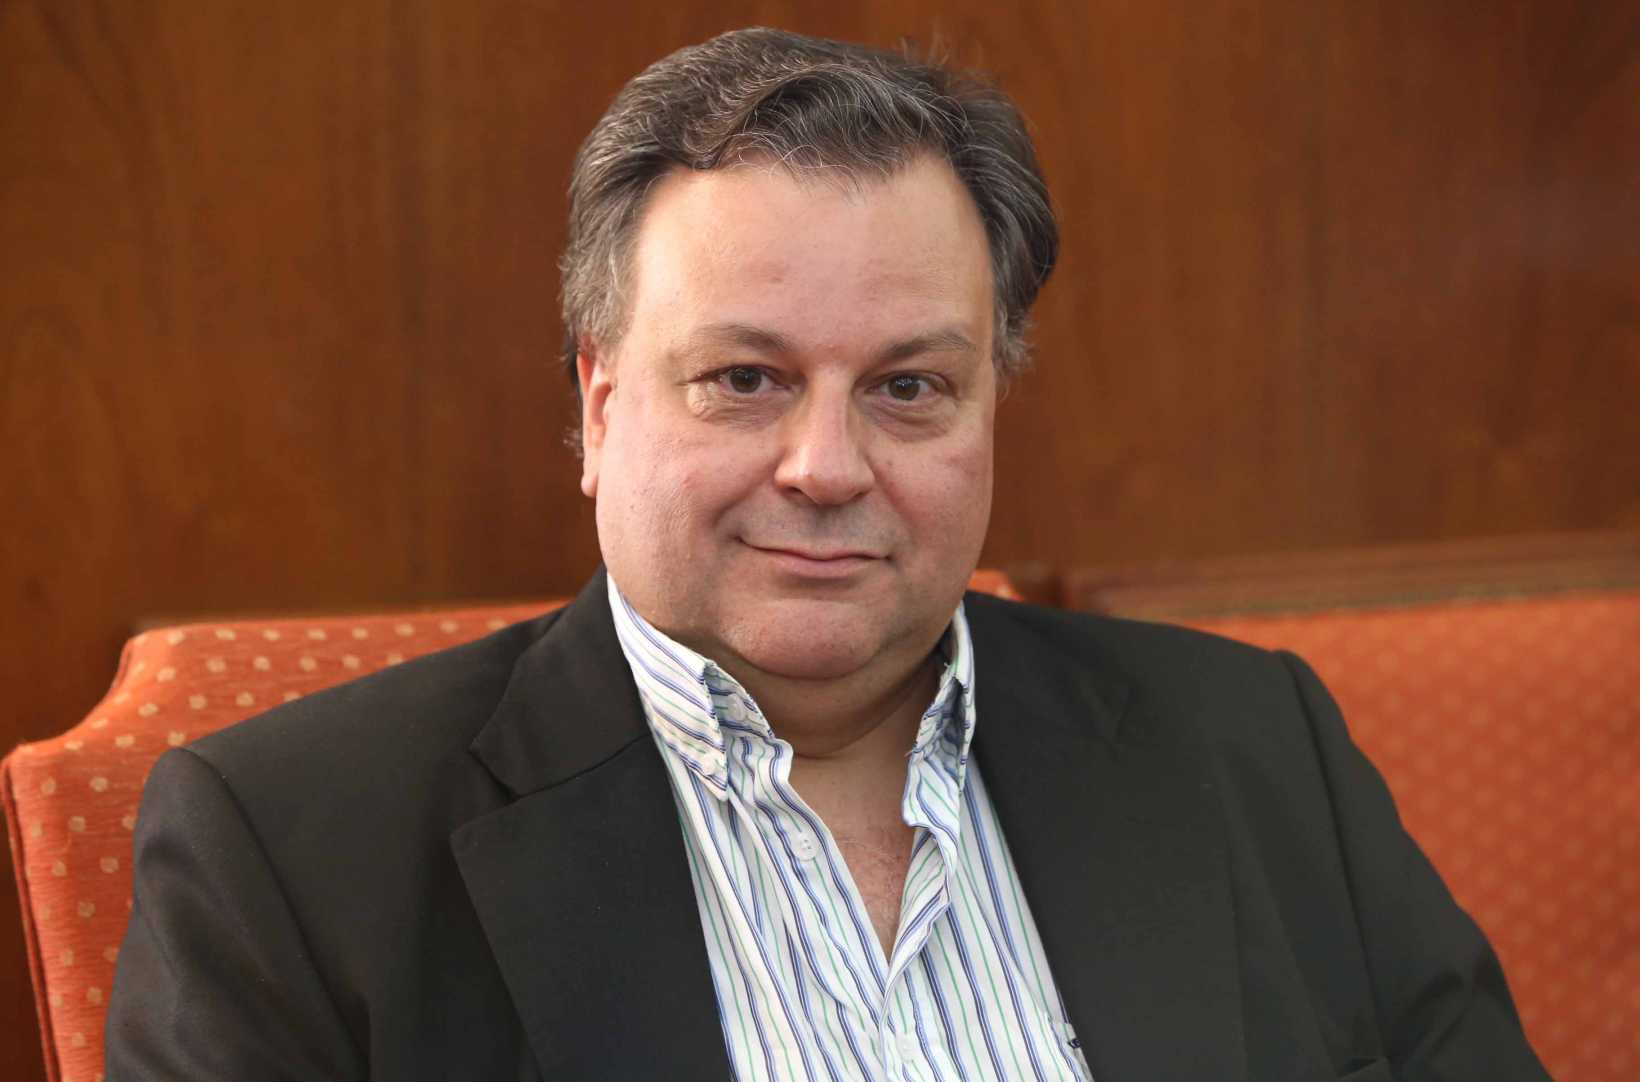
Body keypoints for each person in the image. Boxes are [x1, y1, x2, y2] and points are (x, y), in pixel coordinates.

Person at [106, 27, 1550, 1082]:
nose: (827, 464)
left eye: (909, 386)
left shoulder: (1254, 744)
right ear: (600, 408)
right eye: (744, 379)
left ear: (990, 407)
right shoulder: (293, 851)